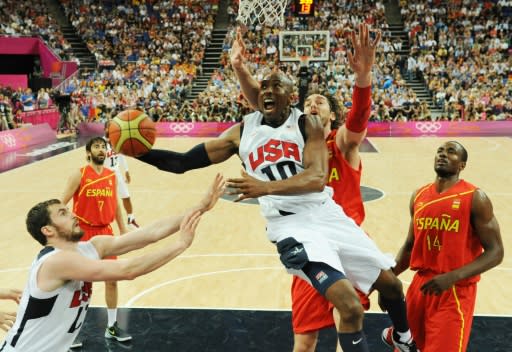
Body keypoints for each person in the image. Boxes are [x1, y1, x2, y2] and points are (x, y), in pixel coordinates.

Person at [135, 60, 417, 352]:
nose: (268, 91)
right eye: (264, 86)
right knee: (349, 308)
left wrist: (264, 187)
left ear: (290, 96)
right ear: (257, 96)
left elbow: (317, 177)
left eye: (276, 85)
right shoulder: (241, 133)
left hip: (327, 215)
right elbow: (181, 163)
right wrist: (137, 151)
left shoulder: (308, 125)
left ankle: (403, 339)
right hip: (292, 227)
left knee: (393, 287)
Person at [229, 24, 379, 352]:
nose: (312, 105)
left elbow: (357, 121)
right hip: (308, 248)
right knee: (305, 338)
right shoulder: (291, 143)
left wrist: (363, 78)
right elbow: (261, 102)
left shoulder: (340, 143)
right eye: (308, 100)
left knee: (348, 319)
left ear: (332, 114)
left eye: (320, 102)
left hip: (342, 244)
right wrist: (240, 68)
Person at [0, 174, 224, 352]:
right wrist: (179, 245)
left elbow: (150, 234)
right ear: (48, 230)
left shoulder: (91, 247)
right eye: (63, 213)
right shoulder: (56, 261)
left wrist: (200, 207)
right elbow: (127, 270)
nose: (74, 215)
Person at [382, 141, 504, 352]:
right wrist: (388, 282)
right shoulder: (419, 195)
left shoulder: (475, 197)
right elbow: (410, 246)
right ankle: (396, 335)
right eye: (440, 150)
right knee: (406, 349)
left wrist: (453, 276)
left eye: (451, 152)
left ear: (462, 165)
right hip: (419, 288)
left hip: (454, 290)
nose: (443, 154)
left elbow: (496, 252)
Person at [60, 137, 129, 347]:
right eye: (97, 146)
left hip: (106, 233)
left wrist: (123, 229)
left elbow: (116, 204)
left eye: (103, 147)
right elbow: (61, 203)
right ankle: (70, 331)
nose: (101, 149)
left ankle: (112, 326)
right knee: (79, 285)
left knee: (112, 279)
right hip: (83, 234)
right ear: (89, 152)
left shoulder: (111, 175)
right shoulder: (79, 174)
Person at [104, 121, 139, 227]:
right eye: (110, 128)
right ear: (105, 129)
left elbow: (122, 156)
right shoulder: (100, 143)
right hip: (105, 174)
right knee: (107, 199)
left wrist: (126, 171)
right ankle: (104, 222)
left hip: (117, 172)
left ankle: (131, 219)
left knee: (126, 196)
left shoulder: (116, 140)